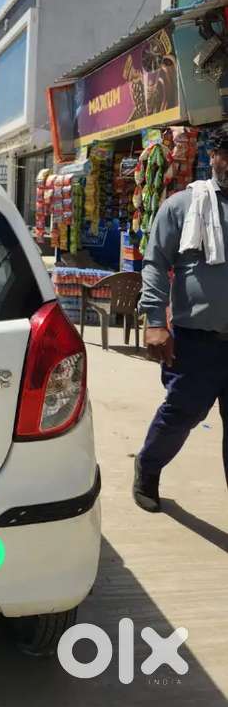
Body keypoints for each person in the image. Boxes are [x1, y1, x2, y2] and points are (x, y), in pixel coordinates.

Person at [134, 130, 228, 512]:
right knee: (181, 415)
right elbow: (156, 264)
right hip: (196, 342)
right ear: (213, 157)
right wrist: (155, 321)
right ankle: (148, 466)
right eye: (226, 154)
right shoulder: (183, 205)